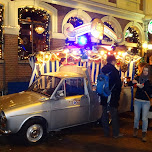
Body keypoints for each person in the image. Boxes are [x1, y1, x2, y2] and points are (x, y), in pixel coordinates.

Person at [100, 55, 123, 138]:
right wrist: (117, 97)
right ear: (113, 61)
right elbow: (118, 85)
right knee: (114, 115)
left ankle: (106, 133)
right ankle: (115, 133)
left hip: (104, 96)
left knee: (104, 115)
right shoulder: (114, 71)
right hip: (112, 97)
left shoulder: (102, 70)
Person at [129, 64, 152, 142]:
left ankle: (144, 133)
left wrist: (144, 87)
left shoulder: (150, 80)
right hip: (137, 99)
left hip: (146, 101)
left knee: (144, 118)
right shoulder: (138, 77)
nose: (145, 72)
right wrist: (132, 82)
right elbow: (129, 84)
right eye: (144, 70)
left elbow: (150, 91)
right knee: (136, 117)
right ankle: (135, 130)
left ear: (149, 72)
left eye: (147, 71)